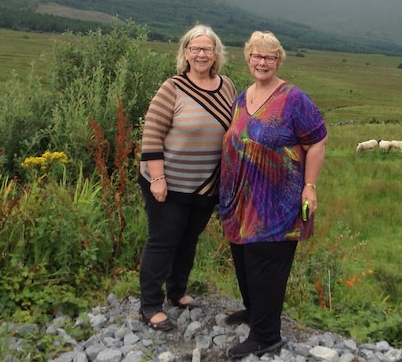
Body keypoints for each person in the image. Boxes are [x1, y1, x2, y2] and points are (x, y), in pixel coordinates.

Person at [219, 30, 328, 358]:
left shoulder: (293, 98)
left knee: (265, 265)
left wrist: (310, 187)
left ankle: (267, 335)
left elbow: (317, 141)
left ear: (277, 60)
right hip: (240, 201)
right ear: (248, 58)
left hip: (276, 202)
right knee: (243, 260)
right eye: (256, 56)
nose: (261, 62)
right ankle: (254, 313)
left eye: (268, 57)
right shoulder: (243, 97)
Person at [137, 25, 236, 331]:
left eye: (207, 49)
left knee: (188, 241)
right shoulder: (173, 88)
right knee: (163, 242)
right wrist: (157, 179)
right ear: (185, 53)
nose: (201, 54)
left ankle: (176, 291)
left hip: (207, 186)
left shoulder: (227, 86)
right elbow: (152, 134)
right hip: (168, 182)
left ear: (216, 53)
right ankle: (150, 305)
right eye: (195, 48)